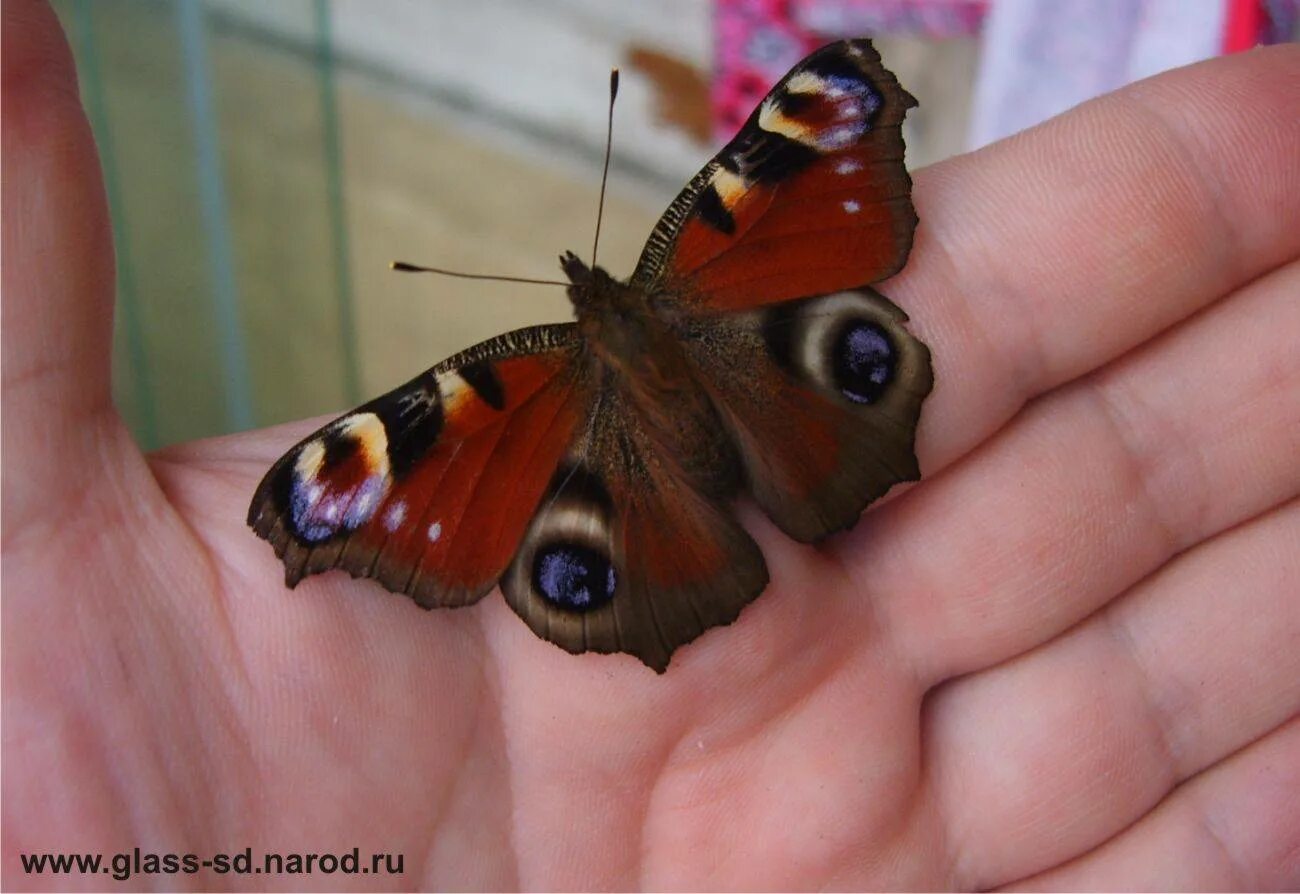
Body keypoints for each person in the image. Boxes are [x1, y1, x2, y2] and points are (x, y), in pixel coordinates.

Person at [3, 0, 1297, 888]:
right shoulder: (694, 254)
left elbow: (833, 104)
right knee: (820, 336)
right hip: (773, 369)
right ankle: (803, 458)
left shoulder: (503, 391)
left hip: (634, 469)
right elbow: (809, 116)